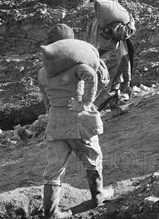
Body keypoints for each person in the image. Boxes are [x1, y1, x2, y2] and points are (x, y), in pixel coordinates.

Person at [38, 24, 113, 217]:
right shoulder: (77, 66)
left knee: (53, 169)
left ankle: (51, 213)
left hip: (56, 124)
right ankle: (97, 197)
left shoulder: (42, 72)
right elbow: (92, 76)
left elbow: (46, 101)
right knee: (93, 159)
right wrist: (86, 103)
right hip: (78, 122)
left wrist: (54, 110)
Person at [84, 0, 136, 110]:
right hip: (113, 58)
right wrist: (131, 20)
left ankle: (116, 105)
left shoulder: (93, 23)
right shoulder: (113, 23)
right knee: (112, 85)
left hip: (98, 57)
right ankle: (92, 111)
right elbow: (124, 33)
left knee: (104, 84)